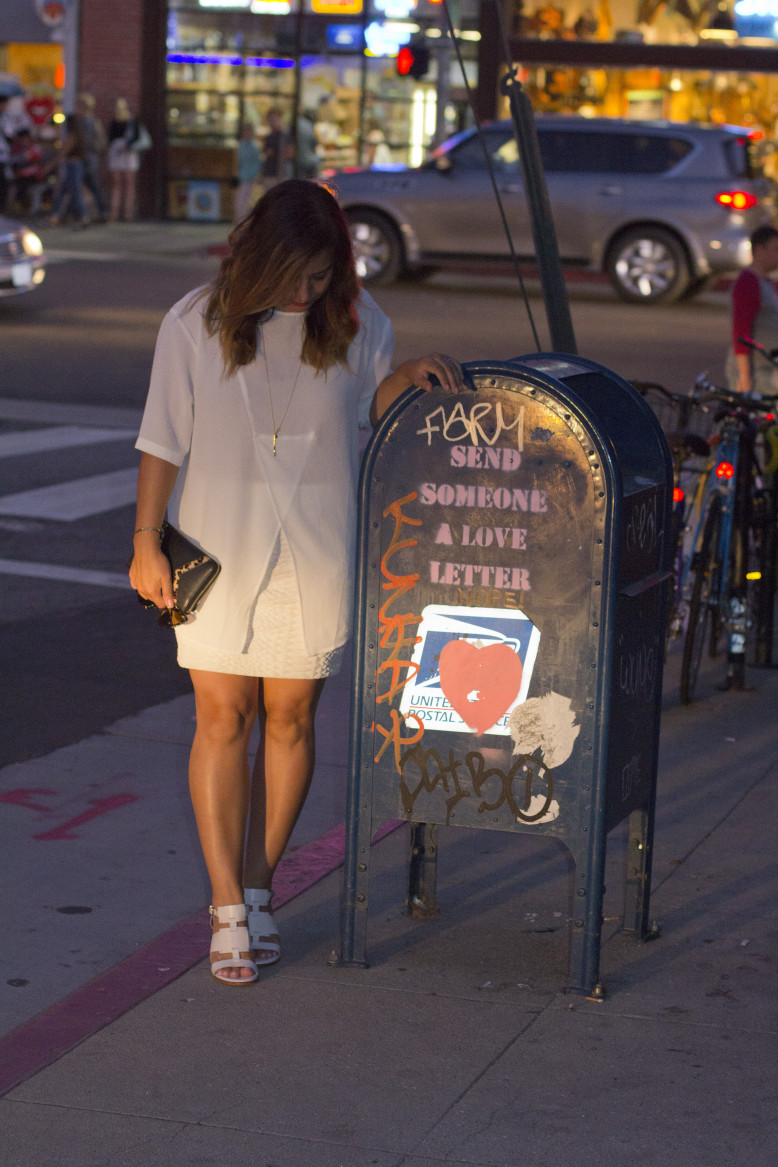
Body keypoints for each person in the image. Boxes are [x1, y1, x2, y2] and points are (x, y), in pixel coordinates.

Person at [129, 179, 463, 986]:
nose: (303, 291)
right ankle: (227, 908)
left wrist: (405, 374)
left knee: (290, 719)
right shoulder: (195, 321)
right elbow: (161, 438)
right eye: (293, 274)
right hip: (217, 540)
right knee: (223, 715)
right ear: (260, 254)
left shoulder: (356, 320)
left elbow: (371, 402)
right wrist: (145, 539)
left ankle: (259, 882)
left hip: (315, 546)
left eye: (319, 276)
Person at [727, 223, 778, 396]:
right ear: (760, 249)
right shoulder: (748, 282)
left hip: (767, 370)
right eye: (776, 249)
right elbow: (741, 332)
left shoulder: (765, 281)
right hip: (755, 373)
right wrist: (744, 376)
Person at [49, 114, 89, 228]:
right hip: (76, 165)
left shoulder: (72, 136)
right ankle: (59, 215)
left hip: (72, 165)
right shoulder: (79, 136)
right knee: (65, 190)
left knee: (74, 191)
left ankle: (81, 216)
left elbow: (63, 152)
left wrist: (50, 165)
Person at [77, 92, 108, 222]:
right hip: (89, 158)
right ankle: (98, 211)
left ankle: (94, 212)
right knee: (91, 185)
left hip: (88, 158)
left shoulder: (88, 122)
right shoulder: (89, 121)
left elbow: (89, 140)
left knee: (89, 185)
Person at [107, 97, 140, 221]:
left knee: (129, 183)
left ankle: (128, 212)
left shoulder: (131, 120)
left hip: (128, 151)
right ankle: (115, 212)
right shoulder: (115, 121)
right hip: (117, 151)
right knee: (117, 183)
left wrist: (127, 146)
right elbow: (110, 137)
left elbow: (136, 137)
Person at [234, 121, 261, 223]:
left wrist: (258, 176)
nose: (247, 133)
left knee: (249, 202)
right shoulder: (239, 146)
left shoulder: (255, 146)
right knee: (240, 202)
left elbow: (258, 162)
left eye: (249, 131)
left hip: (252, 178)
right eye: (245, 131)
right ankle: (241, 222)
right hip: (242, 178)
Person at [261, 108, 287, 188]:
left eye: (274, 119)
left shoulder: (284, 136)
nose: (272, 121)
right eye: (270, 119)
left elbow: (289, 153)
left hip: (279, 173)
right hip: (269, 173)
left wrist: (274, 152)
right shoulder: (269, 136)